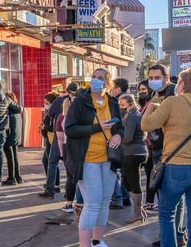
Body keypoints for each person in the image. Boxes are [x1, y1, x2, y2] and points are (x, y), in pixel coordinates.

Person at [141, 68, 191, 247]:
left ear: (181, 84)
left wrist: (152, 105)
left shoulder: (172, 102)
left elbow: (146, 124)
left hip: (177, 167)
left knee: (167, 213)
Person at [65, 68, 124, 247]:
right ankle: (84, 245)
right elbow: (70, 129)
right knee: (93, 202)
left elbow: (120, 127)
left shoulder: (113, 102)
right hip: (87, 158)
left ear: (107, 83)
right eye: (94, 77)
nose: (95, 80)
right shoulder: (80, 101)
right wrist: (97, 127)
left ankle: (97, 241)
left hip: (108, 158)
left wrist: (118, 135)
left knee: (105, 200)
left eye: (100, 78)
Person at [144, 64, 186, 246]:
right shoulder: (156, 94)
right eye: (150, 78)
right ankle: (174, 235)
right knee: (167, 196)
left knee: (171, 197)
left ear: (166, 76)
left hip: (167, 151)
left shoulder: (172, 93)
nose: (153, 81)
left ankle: (174, 237)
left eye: (156, 77)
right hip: (156, 148)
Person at [119, 93, 148, 224]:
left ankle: (137, 213)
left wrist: (115, 138)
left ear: (130, 105)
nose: (121, 107)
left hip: (133, 153)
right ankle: (139, 211)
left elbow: (128, 138)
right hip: (137, 152)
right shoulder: (135, 115)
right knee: (127, 181)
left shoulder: (132, 117)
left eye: (123, 105)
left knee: (133, 182)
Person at [109, 77, 131, 210]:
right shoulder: (125, 98)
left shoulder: (118, 101)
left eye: (112, 87)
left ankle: (121, 198)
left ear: (118, 89)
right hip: (125, 143)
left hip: (121, 142)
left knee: (117, 171)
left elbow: (118, 123)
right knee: (122, 172)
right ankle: (125, 197)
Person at [137, 80, 158, 212]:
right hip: (148, 144)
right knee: (150, 174)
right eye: (140, 90)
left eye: (144, 89)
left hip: (154, 144)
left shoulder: (152, 104)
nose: (141, 92)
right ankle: (149, 202)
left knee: (153, 175)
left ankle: (150, 202)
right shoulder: (145, 104)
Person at [40, 91, 62, 198]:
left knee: (51, 161)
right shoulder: (49, 111)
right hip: (49, 137)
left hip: (53, 137)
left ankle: (53, 186)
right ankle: (52, 184)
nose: (45, 105)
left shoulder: (54, 112)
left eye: (47, 103)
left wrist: (44, 127)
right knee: (47, 160)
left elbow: (53, 127)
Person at [3, 91, 24, 185]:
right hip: (16, 136)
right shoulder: (17, 109)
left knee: (10, 158)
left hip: (9, 136)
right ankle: (18, 177)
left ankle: (11, 178)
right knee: (15, 157)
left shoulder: (8, 110)